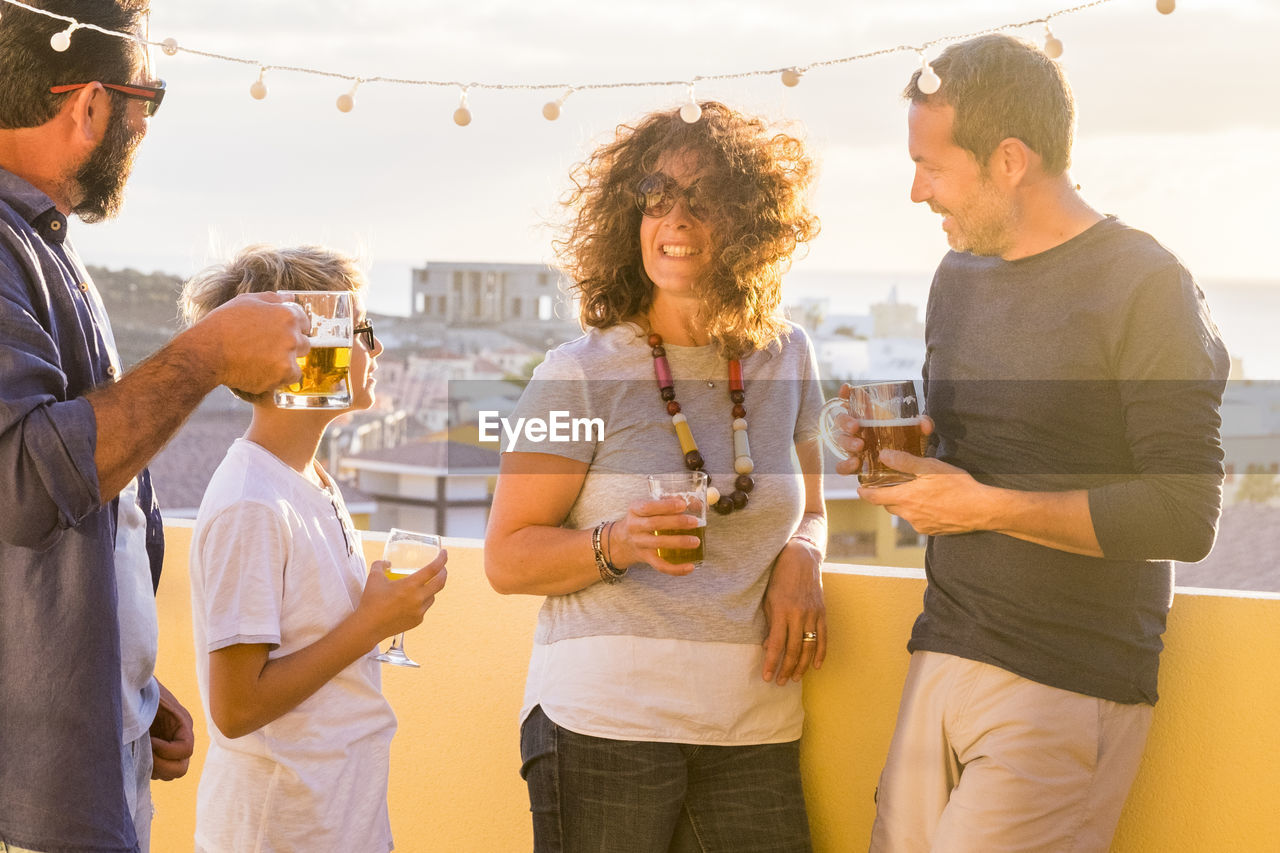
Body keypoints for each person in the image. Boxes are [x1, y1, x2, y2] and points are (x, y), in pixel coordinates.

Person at [832, 34, 1229, 852]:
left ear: (1010, 159)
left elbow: (1184, 514)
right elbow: (972, 447)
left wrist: (982, 507)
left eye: (932, 167)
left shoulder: (1146, 285)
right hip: (943, 647)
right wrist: (893, 453)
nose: (915, 191)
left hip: (1065, 678)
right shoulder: (958, 276)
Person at [0, 3, 311, 852]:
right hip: (34, 787)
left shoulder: (39, 247)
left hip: (91, 744)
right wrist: (209, 351)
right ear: (92, 105)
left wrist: (127, 683)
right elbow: (23, 485)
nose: (143, 125)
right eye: (150, 97)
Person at [485, 101, 827, 852]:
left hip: (754, 721)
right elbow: (507, 558)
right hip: (605, 721)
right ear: (627, 218)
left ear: (752, 223)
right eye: (656, 198)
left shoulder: (788, 356)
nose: (674, 219)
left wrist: (805, 554)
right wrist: (618, 542)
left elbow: (812, 508)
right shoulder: (576, 373)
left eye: (702, 200)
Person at [180, 245, 448, 852]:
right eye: (360, 331)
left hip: (333, 824)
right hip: (280, 831)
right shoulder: (253, 502)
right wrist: (374, 622)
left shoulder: (306, 478)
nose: (375, 349)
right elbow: (236, 707)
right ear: (300, 347)